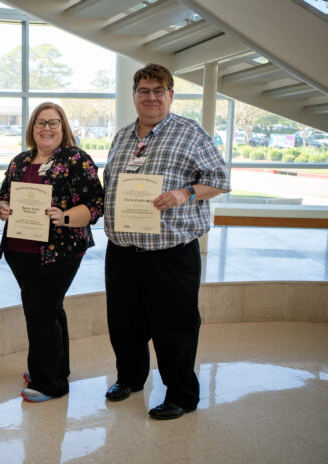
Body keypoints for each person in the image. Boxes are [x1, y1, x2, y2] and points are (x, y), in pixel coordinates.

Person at [103, 63, 230, 420]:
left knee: (174, 327)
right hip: (124, 253)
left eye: (159, 91)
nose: (151, 97)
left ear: (171, 95)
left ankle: (182, 394)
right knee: (124, 323)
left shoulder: (191, 133)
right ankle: (130, 378)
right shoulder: (123, 136)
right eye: (144, 90)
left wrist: (185, 193)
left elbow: (219, 179)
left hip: (171, 255)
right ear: (134, 96)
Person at [0, 102, 104, 403]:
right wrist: (2, 207)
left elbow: (96, 204)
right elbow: (2, 196)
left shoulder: (76, 159)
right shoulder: (20, 161)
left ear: (63, 127)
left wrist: (64, 217)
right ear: (32, 127)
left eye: (53, 123)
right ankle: (56, 369)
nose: (46, 128)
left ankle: (50, 384)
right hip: (20, 250)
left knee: (40, 312)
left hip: (60, 251)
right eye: (40, 123)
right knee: (51, 310)